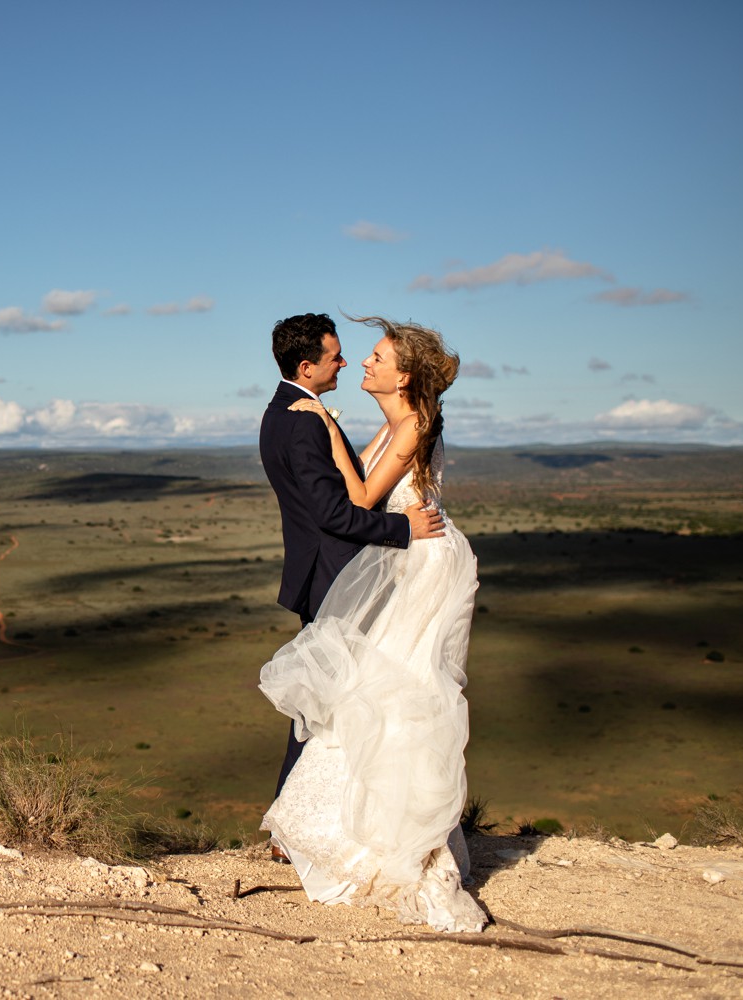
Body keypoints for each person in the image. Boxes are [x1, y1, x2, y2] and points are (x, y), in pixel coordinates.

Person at [259, 315, 485, 933]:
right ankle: (364, 824)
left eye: (376, 356)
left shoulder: (411, 424)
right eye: (350, 356)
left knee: (400, 686)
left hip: (417, 559)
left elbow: (358, 501)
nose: (360, 362)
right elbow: (355, 486)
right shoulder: (385, 423)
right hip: (393, 554)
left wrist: (327, 428)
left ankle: (398, 834)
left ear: (403, 373)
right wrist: (329, 426)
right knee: (370, 686)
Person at [258, 314, 444, 813]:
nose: (349, 360)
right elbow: (340, 511)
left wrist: (329, 427)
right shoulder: (303, 420)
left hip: (333, 572)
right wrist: (404, 528)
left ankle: (310, 813)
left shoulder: (285, 414)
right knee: (328, 699)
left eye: (369, 356)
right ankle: (299, 815)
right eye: (335, 355)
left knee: (332, 696)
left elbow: (352, 485)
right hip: (334, 574)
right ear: (306, 366)